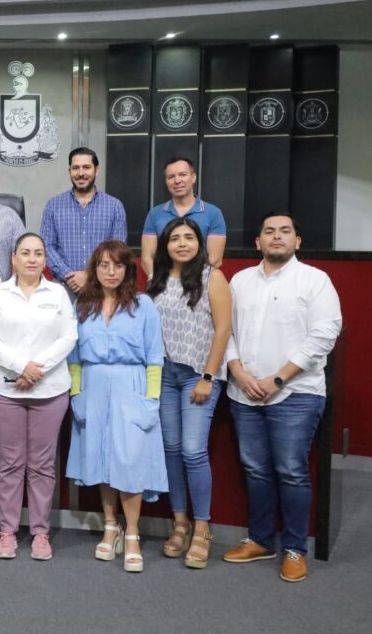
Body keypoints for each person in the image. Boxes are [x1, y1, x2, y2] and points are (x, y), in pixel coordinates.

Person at [221, 212, 342, 583]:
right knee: (255, 469)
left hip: (295, 393)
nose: (277, 237)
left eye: (285, 231)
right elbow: (223, 330)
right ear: (257, 242)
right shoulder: (240, 280)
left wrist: (277, 378)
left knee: (291, 472)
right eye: (269, 232)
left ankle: (294, 549)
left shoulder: (315, 281)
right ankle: (260, 540)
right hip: (243, 392)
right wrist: (238, 372)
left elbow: (325, 333)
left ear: (297, 241)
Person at [66, 240, 166, 573]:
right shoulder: (84, 304)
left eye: (118, 265)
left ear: (127, 270)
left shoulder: (143, 305)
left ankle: (133, 533)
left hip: (131, 388)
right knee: (101, 458)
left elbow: (154, 359)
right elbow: (75, 358)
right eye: (104, 265)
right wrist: (76, 395)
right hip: (93, 388)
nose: (111, 272)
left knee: (129, 461)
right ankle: (111, 526)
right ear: (94, 269)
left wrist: (151, 401)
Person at [0, 233, 77, 561]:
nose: (32, 259)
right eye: (25, 253)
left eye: (38, 253)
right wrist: (22, 366)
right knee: (10, 462)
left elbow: (69, 336)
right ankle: (7, 531)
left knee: (42, 464)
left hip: (49, 390)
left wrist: (38, 369)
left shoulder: (58, 293)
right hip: (5, 389)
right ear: (14, 259)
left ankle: (40, 533)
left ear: (45, 260)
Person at [145, 217, 231, 569]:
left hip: (199, 374)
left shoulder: (214, 277)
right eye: (175, 238)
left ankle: (202, 528)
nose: (182, 243)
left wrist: (208, 376)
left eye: (189, 238)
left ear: (200, 243)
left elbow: (224, 328)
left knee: (194, 451)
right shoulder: (157, 281)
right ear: (165, 245)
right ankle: (179, 523)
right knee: (171, 449)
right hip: (165, 375)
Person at [39, 147, 127, 296]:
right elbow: (46, 245)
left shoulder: (114, 206)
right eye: (75, 168)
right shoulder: (53, 205)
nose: (81, 173)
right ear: (69, 172)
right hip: (64, 288)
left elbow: (117, 249)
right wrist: (69, 275)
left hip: (103, 289)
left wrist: (90, 275)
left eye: (86, 167)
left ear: (96, 170)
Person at [140, 156, 227, 276]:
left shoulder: (213, 213)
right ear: (166, 182)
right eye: (171, 177)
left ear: (193, 177)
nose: (177, 181)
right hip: (163, 285)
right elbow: (147, 258)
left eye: (182, 174)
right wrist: (164, 283)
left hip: (200, 285)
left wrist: (190, 284)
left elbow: (215, 260)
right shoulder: (155, 213)